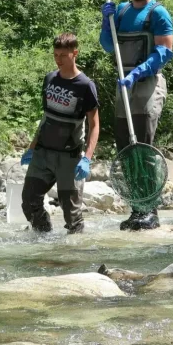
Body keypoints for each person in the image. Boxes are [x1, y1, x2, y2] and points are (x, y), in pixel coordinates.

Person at [99, 0, 173, 231]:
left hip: (147, 83)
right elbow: (109, 46)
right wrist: (106, 24)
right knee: (126, 148)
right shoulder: (120, 11)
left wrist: (139, 72)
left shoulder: (158, 13)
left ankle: (150, 210)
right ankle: (136, 208)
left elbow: (165, 52)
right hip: (124, 84)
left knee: (142, 145)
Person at [20, 33, 100, 234]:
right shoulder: (50, 79)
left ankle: (74, 252)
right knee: (29, 201)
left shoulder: (85, 86)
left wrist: (87, 159)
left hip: (69, 158)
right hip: (43, 154)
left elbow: (95, 124)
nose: (58, 59)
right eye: (55, 54)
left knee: (71, 214)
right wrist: (31, 148)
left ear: (75, 53)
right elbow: (46, 117)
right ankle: (44, 239)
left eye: (63, 55)